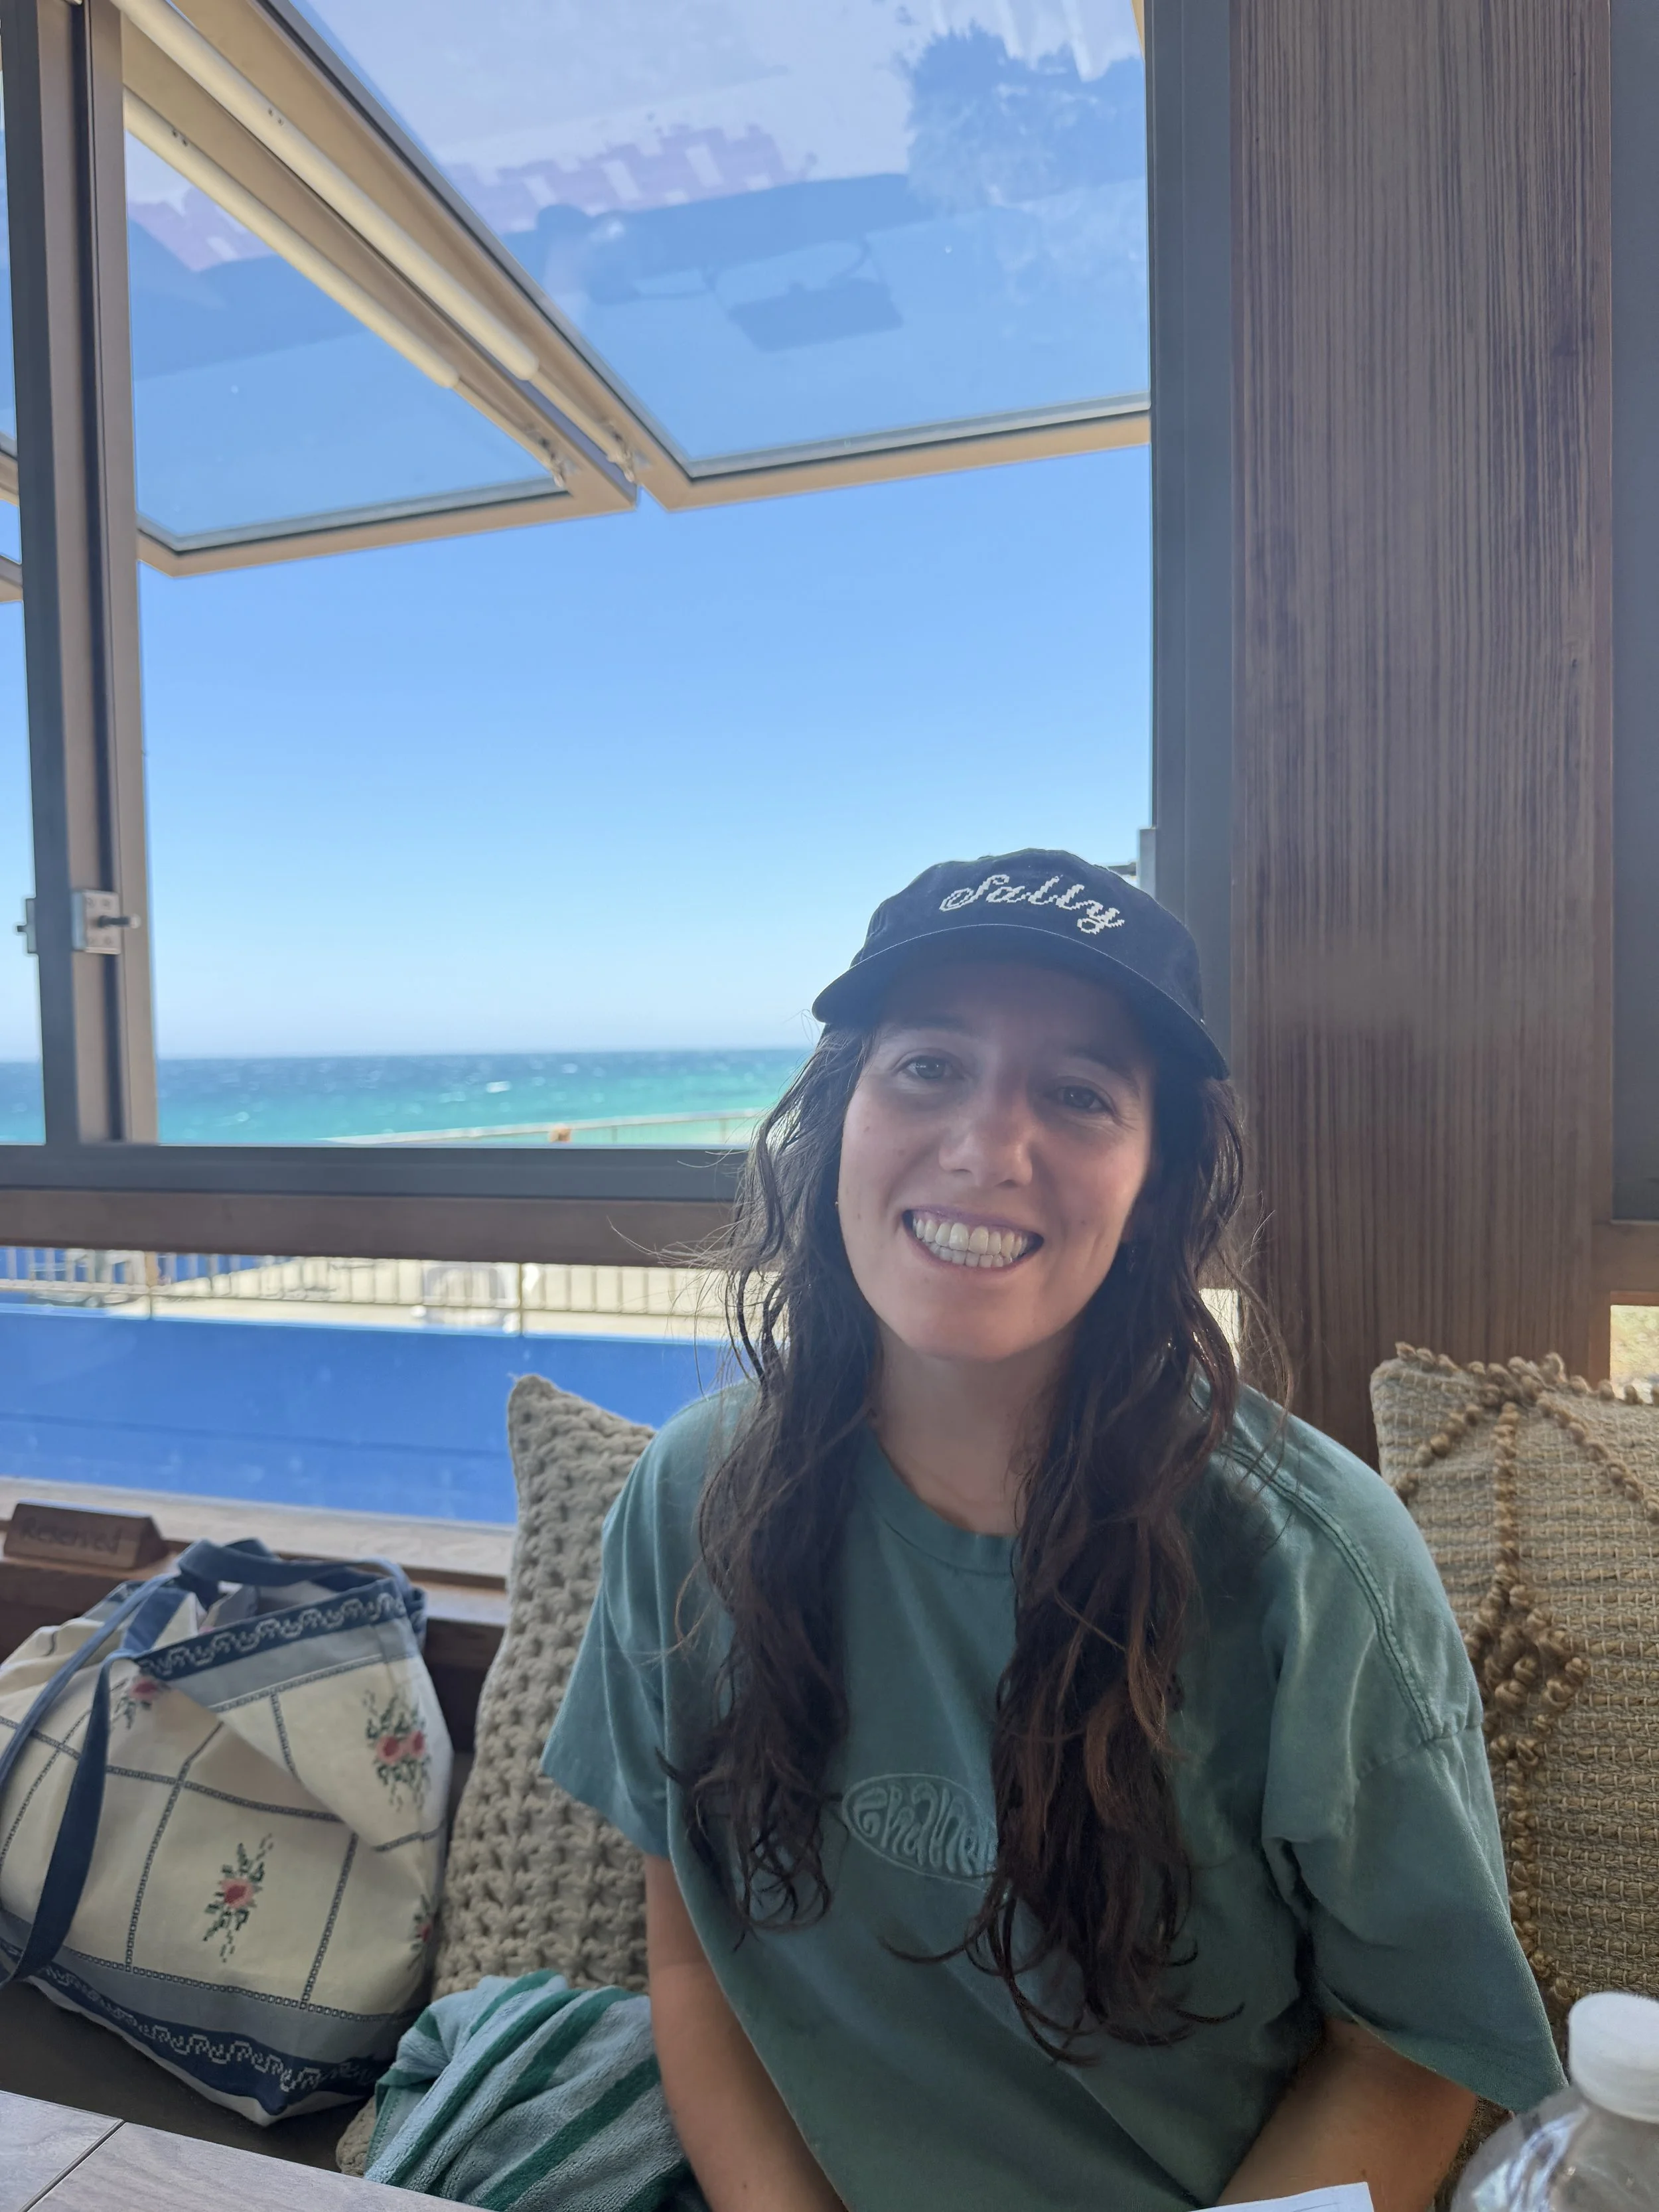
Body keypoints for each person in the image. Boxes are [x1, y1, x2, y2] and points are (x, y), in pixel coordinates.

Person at [543, 849, 1564, 2212]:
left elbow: (1404, 2050)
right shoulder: (694, 1497)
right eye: (928, 1067)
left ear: (1154, 1181)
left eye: (1079, 1094)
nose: (986, 1147)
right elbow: (690, 1953)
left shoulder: (1316, 1569)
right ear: (837, 1120)